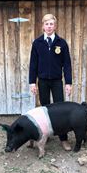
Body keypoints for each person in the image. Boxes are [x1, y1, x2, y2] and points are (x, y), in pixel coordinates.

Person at [29, 13, 72, 151]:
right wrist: (32, 82)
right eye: (46, 24)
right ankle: (45, 136)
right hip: (42, 82)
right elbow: (33, 64)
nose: (49, 26)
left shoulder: (61, 43)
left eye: (51, 24)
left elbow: (67, 64)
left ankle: (63, 139)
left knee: (60, 110)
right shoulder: (37, 43)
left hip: (57, 82)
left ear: (55, 26)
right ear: (43, 26)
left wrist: (68, 83)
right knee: (45, 109)